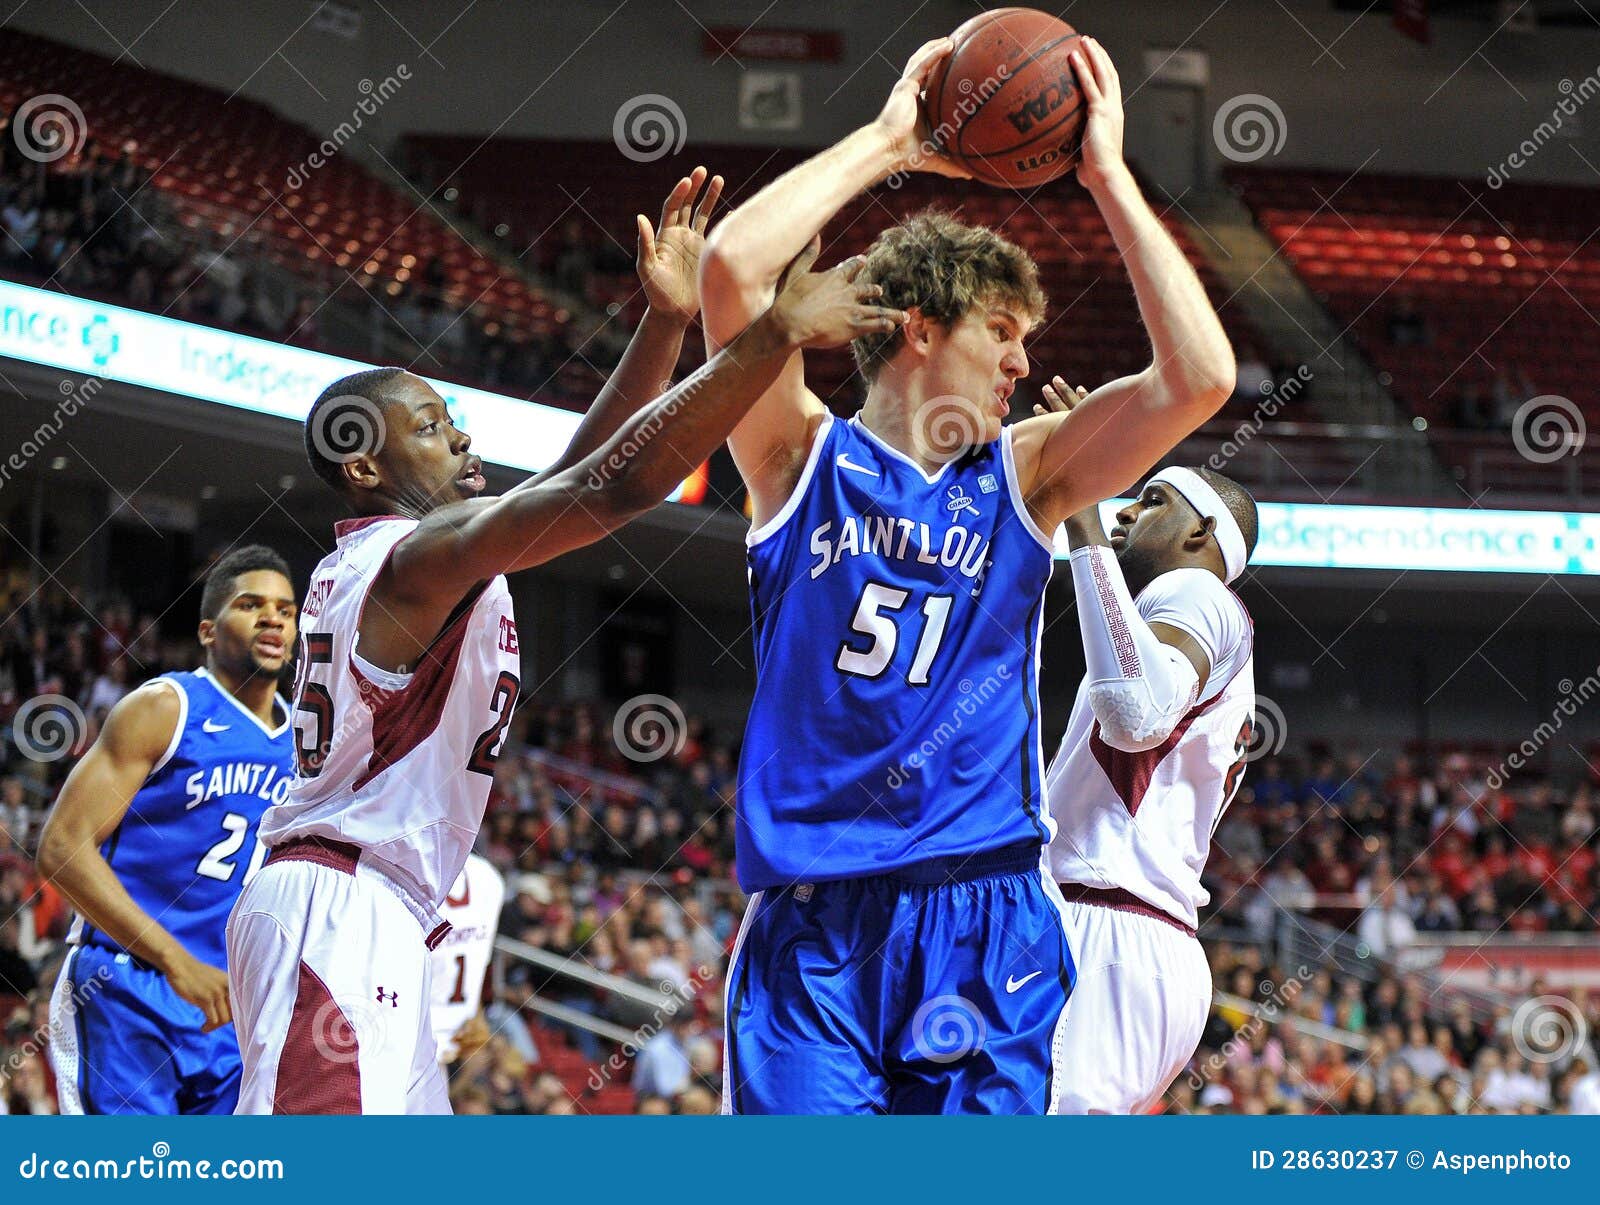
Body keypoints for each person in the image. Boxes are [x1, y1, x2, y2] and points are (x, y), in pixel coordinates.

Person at [225, 171, 904, 1114]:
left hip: (374, 910)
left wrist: (663, 325)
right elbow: (611, 489)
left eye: (452, 418)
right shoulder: (413, 558)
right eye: (429, 425)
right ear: (365, 464)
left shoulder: (422, 554)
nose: (460, 435)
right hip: (337, 907)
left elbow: (581, 470)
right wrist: (773, 334)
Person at [699, 36, 1235, 1114]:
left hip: (985, 913)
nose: (1022, 363)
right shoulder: (798, 459)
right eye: (1002, 331)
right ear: (919, 328)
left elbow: (1198, 379)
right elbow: (730, 271)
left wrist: (1107, 176)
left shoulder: (1027, 475)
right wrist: (889, 141)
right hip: (817, 920)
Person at [1034, 386, 1258, 1113]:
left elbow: (1136, 713)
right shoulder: (1166, 617)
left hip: (1112, 928)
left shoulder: (1199, 592)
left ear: (1202, 533)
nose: (1127, 510)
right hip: (1127, 934)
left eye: (1151, 500)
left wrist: (1082, 508)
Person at [36, 546, 296, 1114]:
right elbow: (60, 847)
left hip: (233, 1011)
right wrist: (178, 962)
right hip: (130, 988)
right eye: (250, 605)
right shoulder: (165, 707)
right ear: (208, 630)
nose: (272, 619)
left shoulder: (307, 742)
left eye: (286, 610)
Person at [429, 851, 506, 1064]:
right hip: (431, 1035)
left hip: (450, 1034)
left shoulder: (488, 878)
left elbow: (477, 962)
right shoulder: (489, 876)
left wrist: (476, 1010)